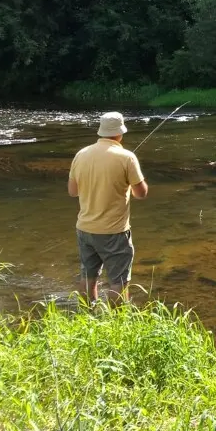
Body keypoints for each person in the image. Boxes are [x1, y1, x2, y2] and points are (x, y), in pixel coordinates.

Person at [68, 111, 148, 304]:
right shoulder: (127, 157)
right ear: (120, 133)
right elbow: (141, 193)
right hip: (114, 232)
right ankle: (118, 324)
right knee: (118, 280)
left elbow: (72, 191)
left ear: (101, 132)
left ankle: (89, 316)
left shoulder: (81, 154)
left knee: (88, 276)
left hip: (85, 229)